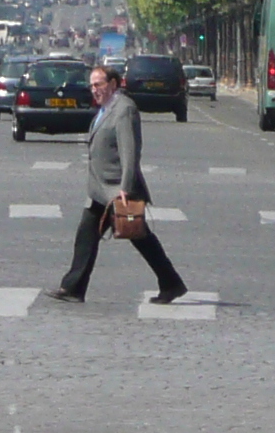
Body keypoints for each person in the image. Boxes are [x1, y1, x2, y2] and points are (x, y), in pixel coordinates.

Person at [46, 62, 185, 305]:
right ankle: (73, 287)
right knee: (86, 237)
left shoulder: (124, 109)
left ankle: (172, 283)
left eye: (98, 85)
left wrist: (126, 188)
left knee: (141, 238)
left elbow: (130, 151)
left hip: (115, 190)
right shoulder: (106, 108)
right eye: (91, 86)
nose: (94, 90)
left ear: (113, 84)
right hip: (99, 190)